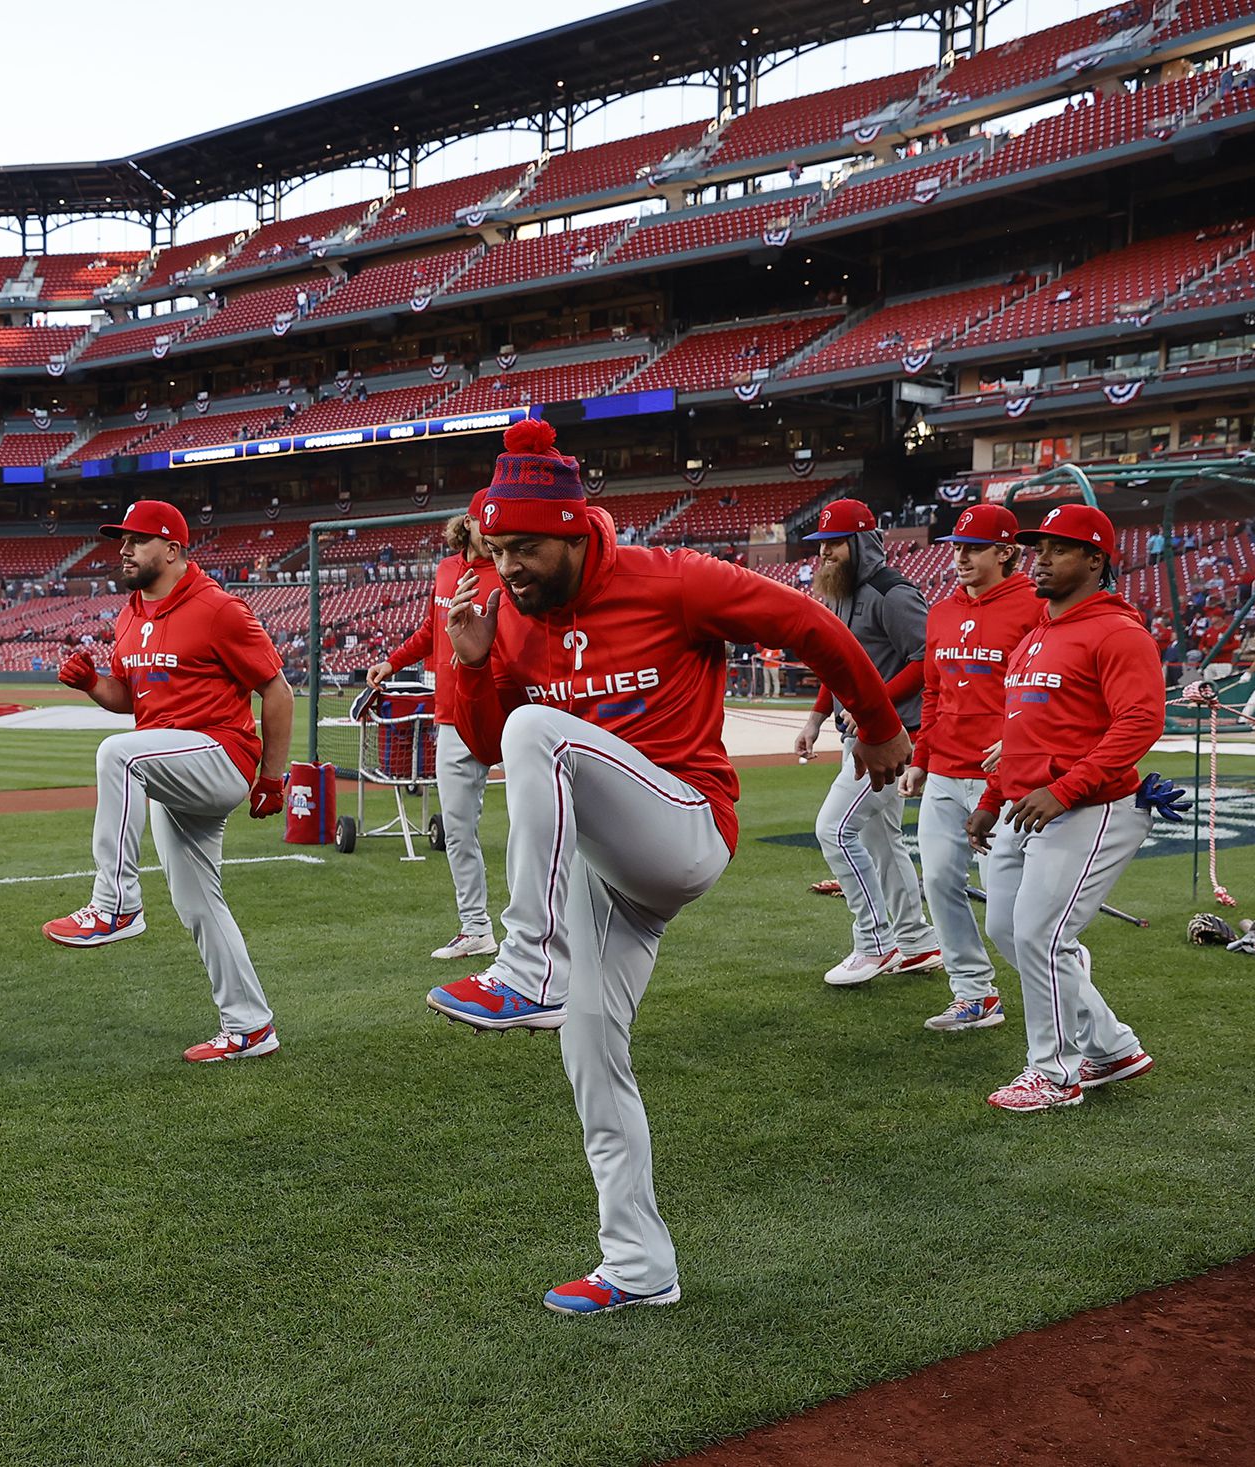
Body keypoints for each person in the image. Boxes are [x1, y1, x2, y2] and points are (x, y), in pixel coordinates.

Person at [425, 419, 906, 1314]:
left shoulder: (670, 579)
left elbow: (809, 624)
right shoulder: (508, 615)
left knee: (545, 733)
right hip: (610, 869)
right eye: (495, 548)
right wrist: (477, 665)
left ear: (573, 530)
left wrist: (876, 722)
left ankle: (528, 963)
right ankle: (639, 1262)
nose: (506, 565)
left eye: (522, 546)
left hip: (686, 826)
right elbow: (494, 746)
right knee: (593, 1057)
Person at [46, 499, 294, 1064]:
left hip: (220, 756)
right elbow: (129, 702)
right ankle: (251, 1027)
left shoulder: (219, 609)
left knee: (119, 757)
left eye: (137, 539)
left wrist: (272, 777)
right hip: (172, 764)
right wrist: (91, 683)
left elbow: (277, 691)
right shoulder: (129, 615)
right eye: (121, 539)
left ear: (174, 549)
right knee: (199, 904)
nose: (124, 549)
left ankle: (115, 905)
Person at [967, 504, 1163, 1113]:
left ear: (1096, 560)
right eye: (1038, 548)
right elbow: (1021, 734)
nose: (1041, 560)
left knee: (1043, 934)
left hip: (1093, 806)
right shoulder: (1034, 636)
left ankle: (1054, 1074)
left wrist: (1066, 788)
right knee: (1009, 930)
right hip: (1025, 806)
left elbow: (1141, 722)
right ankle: (1112, 1047)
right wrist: (992, 797)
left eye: (1059, 549)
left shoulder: (1119, 631)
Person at [901, 504, 1041, 1033]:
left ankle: (1054, 990)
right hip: (944, 771)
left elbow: (1044, 687)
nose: (960, 557)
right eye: (956, 547)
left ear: (1006, 552)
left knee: (1009, 904)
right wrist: (921, 756)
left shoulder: (1034, 607)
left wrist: (1019, 739)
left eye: (973, 548)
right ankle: (974, 993)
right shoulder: (940, 612)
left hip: (1003, 779)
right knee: (937, 879)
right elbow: (934, 692)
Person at [794, 499, 938, 986]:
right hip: (859, 735)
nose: (826, 554)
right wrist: (817, 716)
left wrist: (868, 706)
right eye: (822, 545)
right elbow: (839, 664)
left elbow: (925, 663)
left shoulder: (892, 592)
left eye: (835, 544)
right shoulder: (840, 592)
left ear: (860, 543)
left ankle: (875, 940)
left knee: (835, 829)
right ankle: (917, 942)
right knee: (881, 840)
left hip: (891, 738)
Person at [365, 512, 500, 960]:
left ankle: (539, 931)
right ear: (470, 525)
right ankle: (476, 928)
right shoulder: (446, 569)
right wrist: (393, 661)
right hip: (451, 717)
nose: (495, 533)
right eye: (488, 524)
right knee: (458, 828)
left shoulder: (507, 570)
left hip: (506, 711)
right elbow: (430, 631)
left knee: (536, 826)